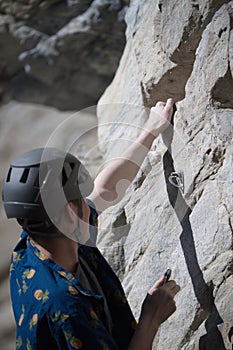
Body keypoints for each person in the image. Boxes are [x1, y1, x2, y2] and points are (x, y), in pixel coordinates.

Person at [2, 98, 180, 350]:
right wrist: (151, 318)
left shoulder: (37, 241)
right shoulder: (66, 307)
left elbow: (105, 189)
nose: (88, 202)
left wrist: (151, 131)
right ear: (69, 211)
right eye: (79, 198)